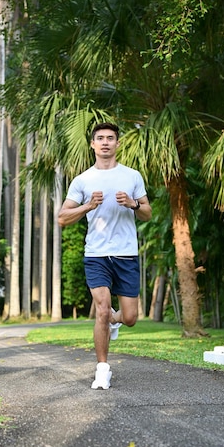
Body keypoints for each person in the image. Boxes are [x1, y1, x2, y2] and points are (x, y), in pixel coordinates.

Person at [58, 122, 152, 390]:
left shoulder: (132, 176)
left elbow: (147, 212)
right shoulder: (83, 180)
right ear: (93, 144)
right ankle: (102, 371)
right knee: (101, 308)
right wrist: (88, 205)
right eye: (100, 138)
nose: (105, 142)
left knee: (131, 317)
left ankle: (115, 319)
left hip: (126, 254)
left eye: (111, 138)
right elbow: (63, 218)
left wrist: (132, 204)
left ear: (117, 144)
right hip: (96, 254)